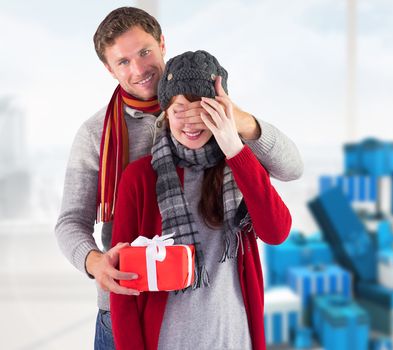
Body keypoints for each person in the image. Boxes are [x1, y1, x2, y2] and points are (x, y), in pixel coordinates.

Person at [54, 7, 302, 349]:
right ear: (109, 69)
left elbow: (291, 172)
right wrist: (97, 263)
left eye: (144, 52)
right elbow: (70, 222)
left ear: (161, 44)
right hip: (132, 305)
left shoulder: (216, 118)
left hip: (224, 317)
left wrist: (238, 126)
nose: (139, 69)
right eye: (123, 61)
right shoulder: (101, 136)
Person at [110, 50, 288, 350]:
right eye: (180, 110)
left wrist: (234, 147)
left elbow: (276, 232)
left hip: (233, 336)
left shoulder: (241, 167)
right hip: (167, 340)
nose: (191, 123)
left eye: (202, 111)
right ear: (165, 112)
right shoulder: (139, 178)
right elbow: (123, 282)